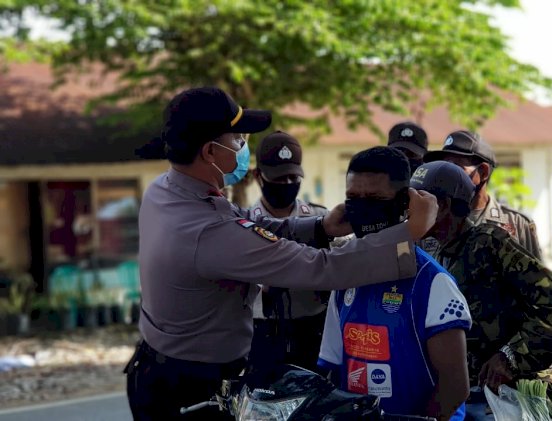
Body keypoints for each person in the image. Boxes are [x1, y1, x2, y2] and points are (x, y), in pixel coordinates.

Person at [128, 87, 438, 420]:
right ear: (209, 152)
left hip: (157, 368)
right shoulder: (208, 230)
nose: (243, 145)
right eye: (238, 138)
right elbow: (320, 268)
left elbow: (246, 225)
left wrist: (318, 227)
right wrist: (407, 235)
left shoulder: (167, 190)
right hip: (193, 387)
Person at [410, 160, 552, 421]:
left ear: (442, 206)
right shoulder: (429, 249)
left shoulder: (489, 243)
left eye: (417, 199)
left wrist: (511, 357)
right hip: (466, 397)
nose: (409, 207)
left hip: (507, 396)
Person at [318, 147, 471, 421]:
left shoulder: (432, 282)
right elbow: (333, 367)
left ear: (404, 203)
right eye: (353, 198)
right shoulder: (344, 276)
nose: (363, 208)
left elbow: (455, 387)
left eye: (375, 199)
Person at [248, 130, 329, 371]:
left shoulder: (320, 219)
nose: (287, 185)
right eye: (278, 178)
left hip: (314, 330)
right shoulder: (243, 226)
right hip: (262, 333)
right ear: (257, 176)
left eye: (293, 178)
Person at [423, 130, 542, 259]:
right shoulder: (431, 221)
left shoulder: (516, 224)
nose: (447, 176)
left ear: (483, 172)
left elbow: (538, 277)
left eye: (456, 169)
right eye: (444, 168)